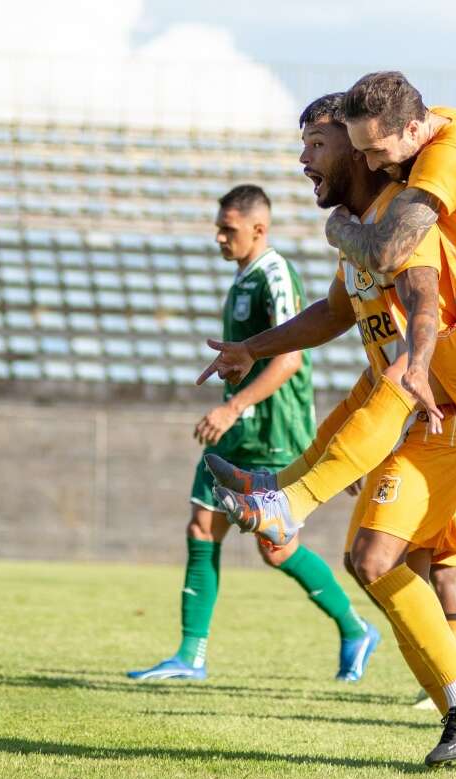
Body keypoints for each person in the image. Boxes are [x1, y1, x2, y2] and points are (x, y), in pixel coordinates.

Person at [203, 93, 456, 767]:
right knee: (372, 563)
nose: (304, 160)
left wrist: (421, 365)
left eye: (317, 145)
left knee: (397, 562)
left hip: (440, 411)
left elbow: (425, 294)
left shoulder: (402, 223)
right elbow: (337, 311)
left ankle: (282, 503)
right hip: (400, 411)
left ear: (358, 149)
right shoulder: (363, 226)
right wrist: (252, 346)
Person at [128, 185, 379, 683]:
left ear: (258, 229)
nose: (219, 237)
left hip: (274, 428)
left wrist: (236, 404)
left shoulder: (275, 274)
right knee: (202, 528)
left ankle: (355, 628)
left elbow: (290, 359)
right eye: (219, 227)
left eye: (229, 229)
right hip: (237, 424)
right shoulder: (242, 279)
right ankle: (190, 656)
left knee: (275, 547)